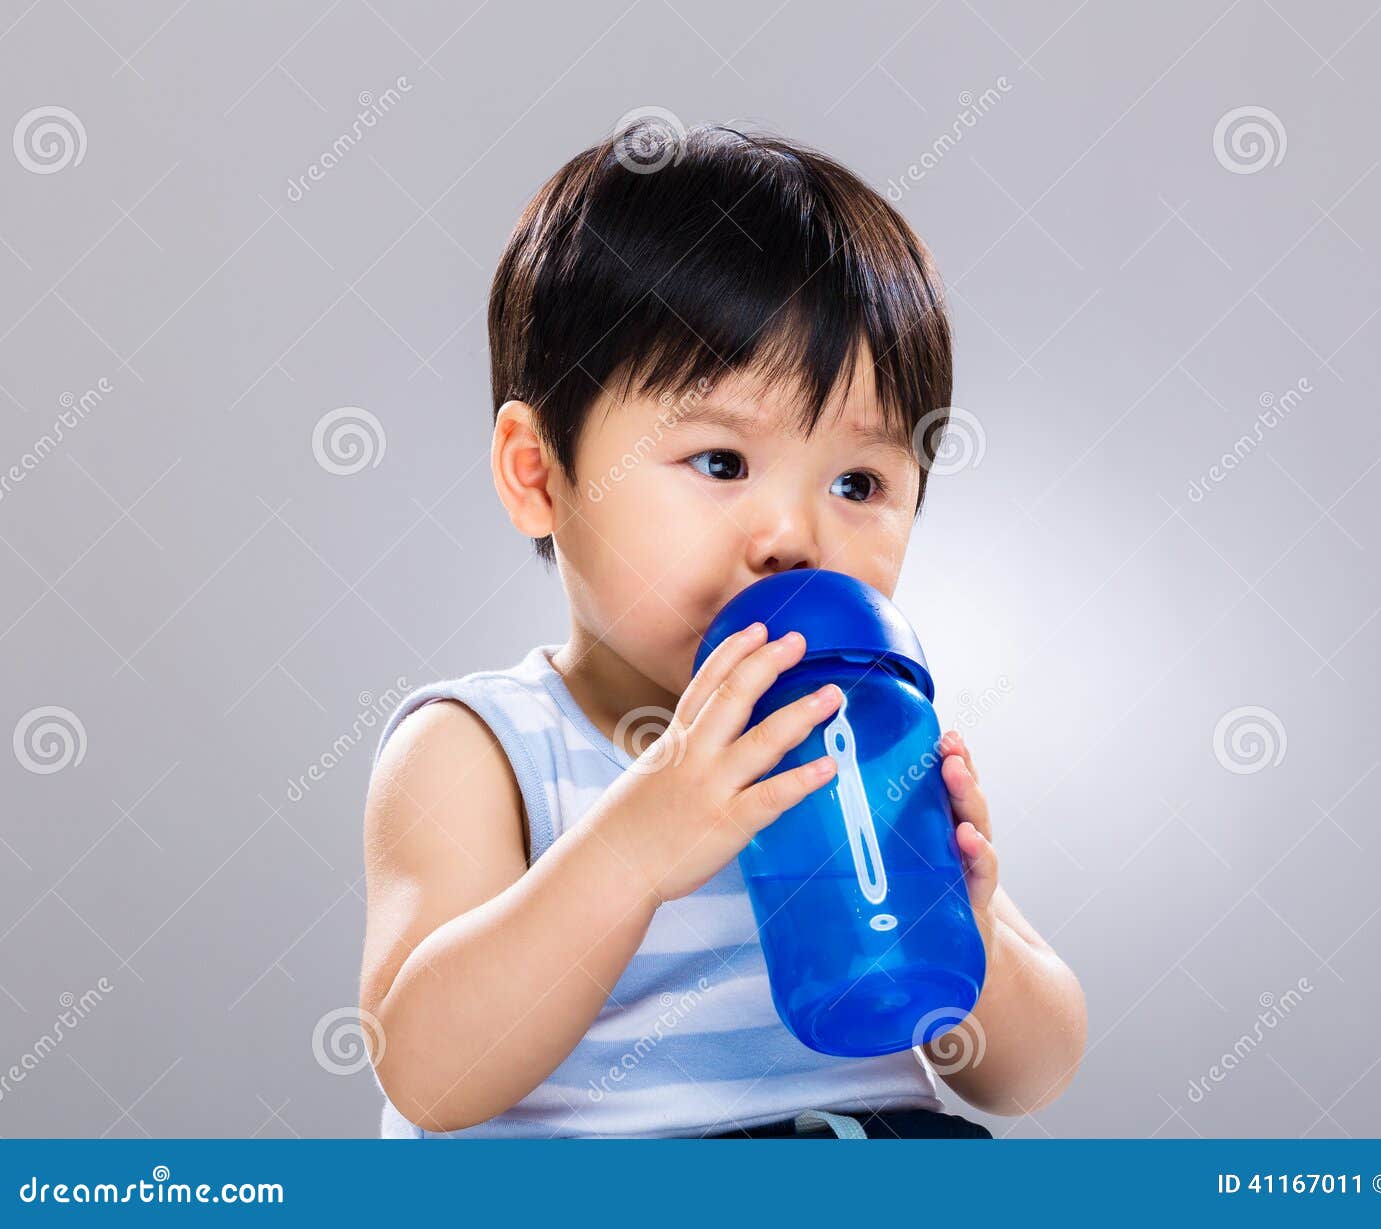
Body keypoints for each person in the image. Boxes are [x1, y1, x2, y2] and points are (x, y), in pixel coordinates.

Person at [358, 120, 1087, 1138]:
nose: (791, 537)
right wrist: (634, 847)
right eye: (718, 463)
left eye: (857, 482)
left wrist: (974, 932)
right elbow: (426, 1074)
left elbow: (1029, 1073)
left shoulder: (861, 738)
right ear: (539, 473)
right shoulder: (482, 746)